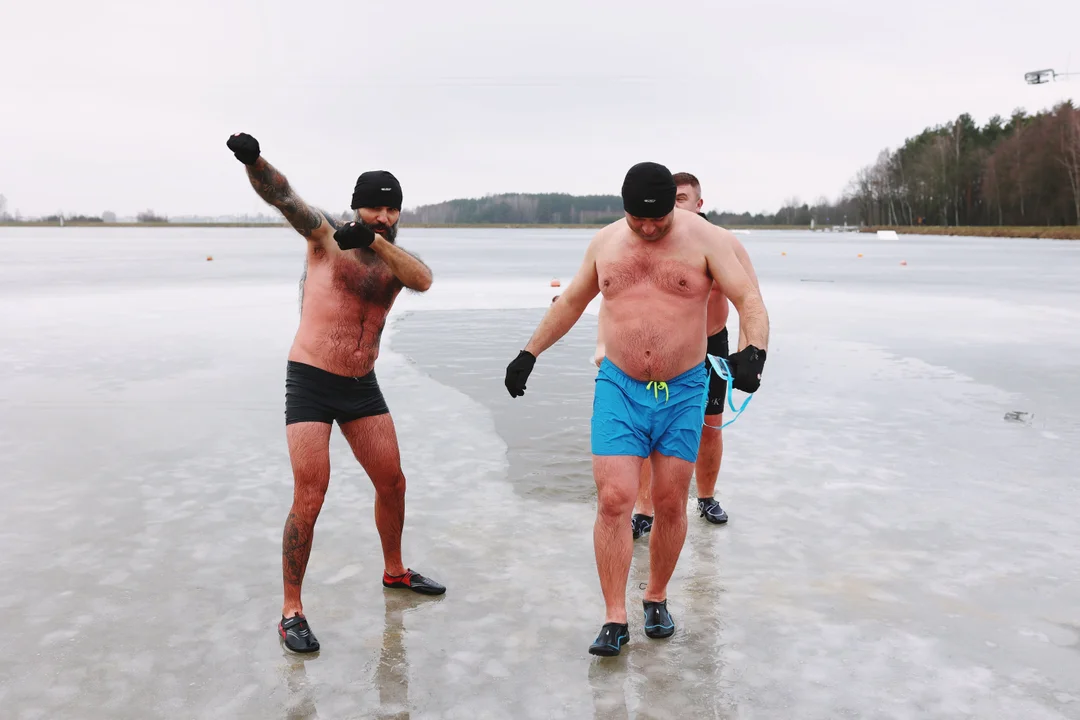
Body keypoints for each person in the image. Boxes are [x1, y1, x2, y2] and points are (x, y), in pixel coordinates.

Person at [504, 162, 769, 656]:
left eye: (658, 220)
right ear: (623, 208)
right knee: (613, 500)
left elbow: (748, 297)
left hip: (684, 389)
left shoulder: (705, 239)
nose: (648, 229)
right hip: (619, 386)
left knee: (670, 501)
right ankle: (613, 616)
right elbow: (570, 303)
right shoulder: (606, 243)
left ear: (674, 205)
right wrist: (529, 353)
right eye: (637, 220)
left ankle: (656, 596)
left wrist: (756, 351)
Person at [226, 132, 446, 655]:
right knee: (311, 492)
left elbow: (425, 280)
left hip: (361, 385)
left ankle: (394, 571)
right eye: (373, 208)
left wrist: (376, 243)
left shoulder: (393, 257)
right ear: (357, 207)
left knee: (392, 482)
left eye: (391, 209)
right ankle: (291, 609)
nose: (382, 216)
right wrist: (255, 161)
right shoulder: (324, 237)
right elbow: (285, 198)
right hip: (310, 380)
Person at [594, 172, 761, 539]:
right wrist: (603, 345)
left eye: (684, 199)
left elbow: (750, 299)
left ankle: (705, 496)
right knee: (649, 431)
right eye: (675, 198)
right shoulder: (646, 245)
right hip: (658, 357)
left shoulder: (720, 242)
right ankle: (645, 509)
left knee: (710, 425)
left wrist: (748, 355)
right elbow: (616, 302)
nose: (677, 206)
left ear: (698, 203)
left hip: (710, 346)